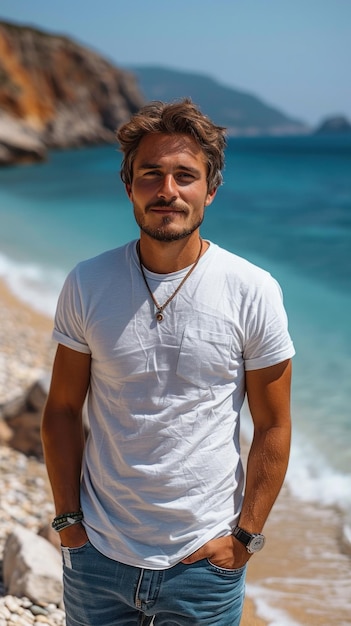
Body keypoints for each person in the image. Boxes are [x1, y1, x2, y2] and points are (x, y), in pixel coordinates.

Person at [41, 98, 295, 626]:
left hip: (204, 563)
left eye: (185, 175)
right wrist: (69, 524)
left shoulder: (253, 290)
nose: (168, 191)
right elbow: (63, 408)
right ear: (128, 185)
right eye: (151, 174)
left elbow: (273, 423)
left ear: (211, 189)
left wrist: (245, 538)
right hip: (97, 557)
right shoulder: (87, 283)